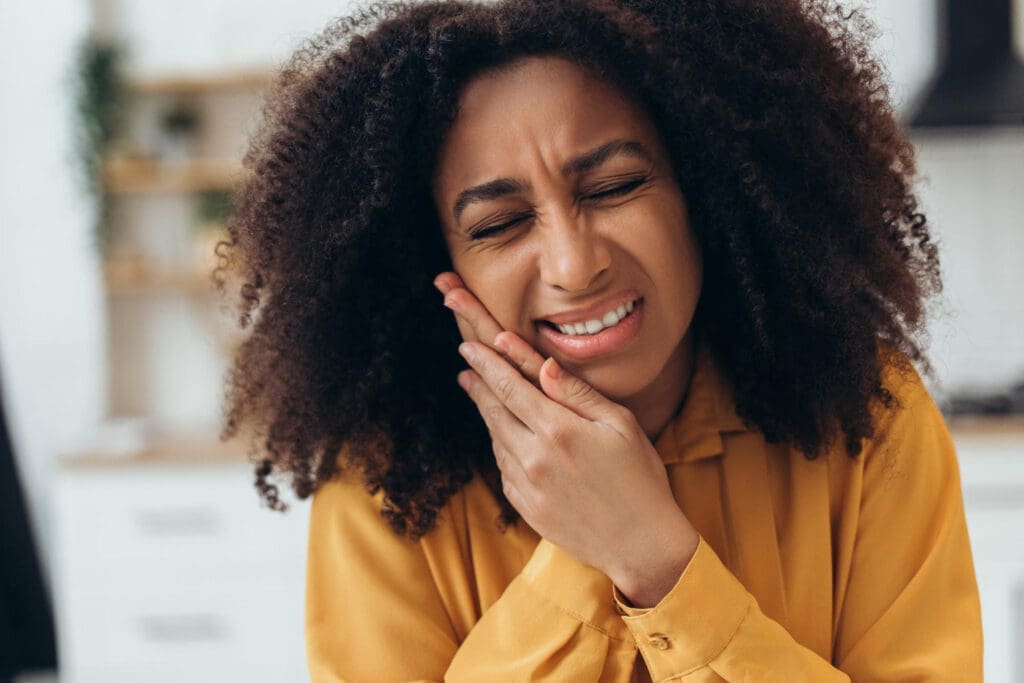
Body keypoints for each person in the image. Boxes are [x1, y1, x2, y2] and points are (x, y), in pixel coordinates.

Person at [216, 0, 984, 680]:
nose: (575, 264)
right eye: (499, 224)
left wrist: (658, 564)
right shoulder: (386, 487)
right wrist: (590, 551)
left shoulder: (867, 420)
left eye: (615, 186)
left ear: (706, 188)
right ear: (437, 266)